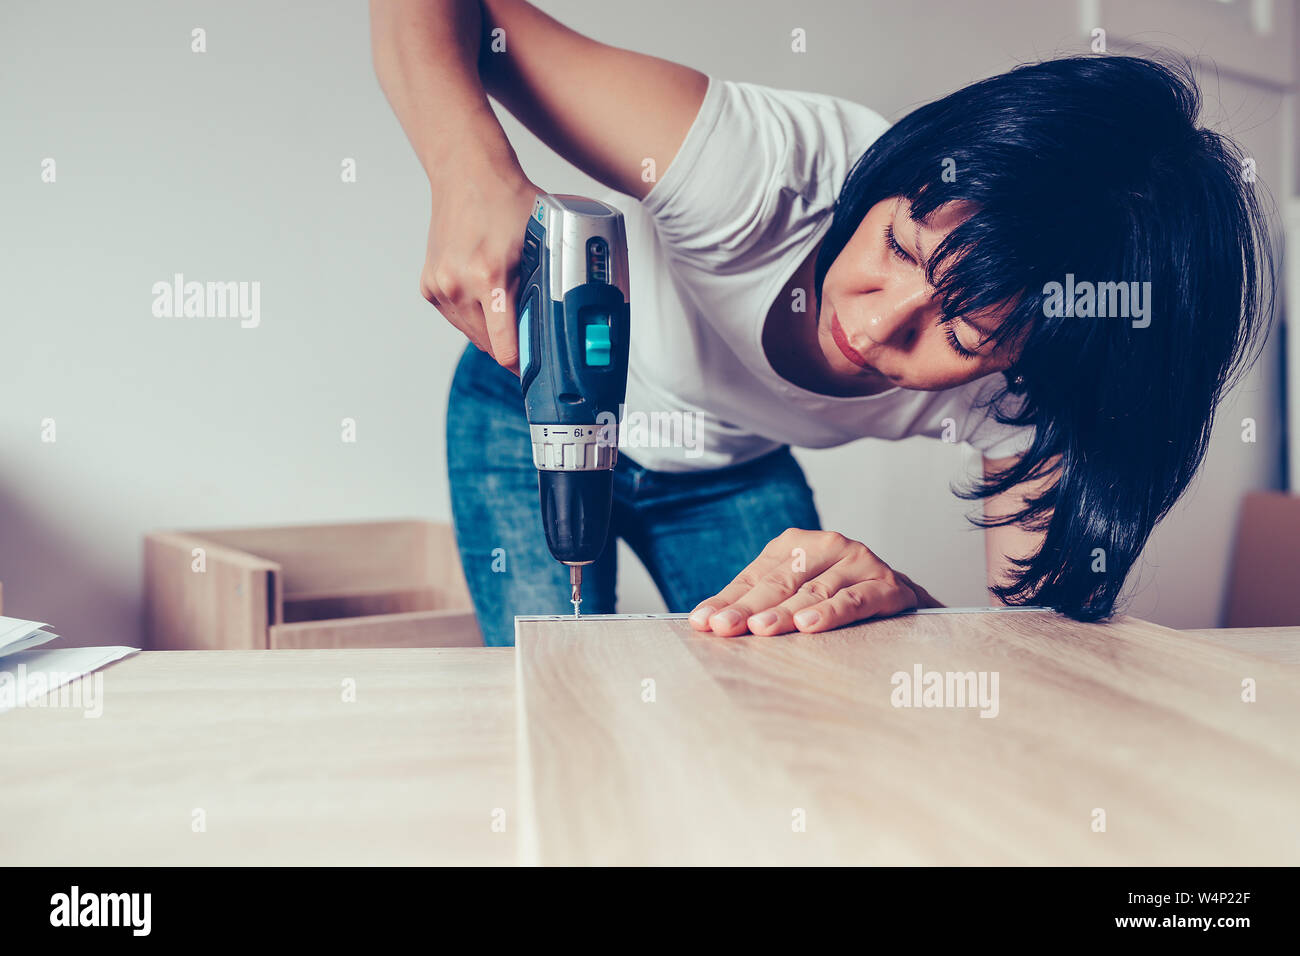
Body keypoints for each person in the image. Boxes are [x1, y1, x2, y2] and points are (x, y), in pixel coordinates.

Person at [371, 0, 1272, 646]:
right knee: (555, 684)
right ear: (899, 173)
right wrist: (469, 173)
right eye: (899, 249)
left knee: (805, 670)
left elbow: (1031, 648)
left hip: (729, 466)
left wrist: (908, 603)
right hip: (529, 413)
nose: (876, 329)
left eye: (955, 338)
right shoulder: (754, 172)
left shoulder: (1030, 385)